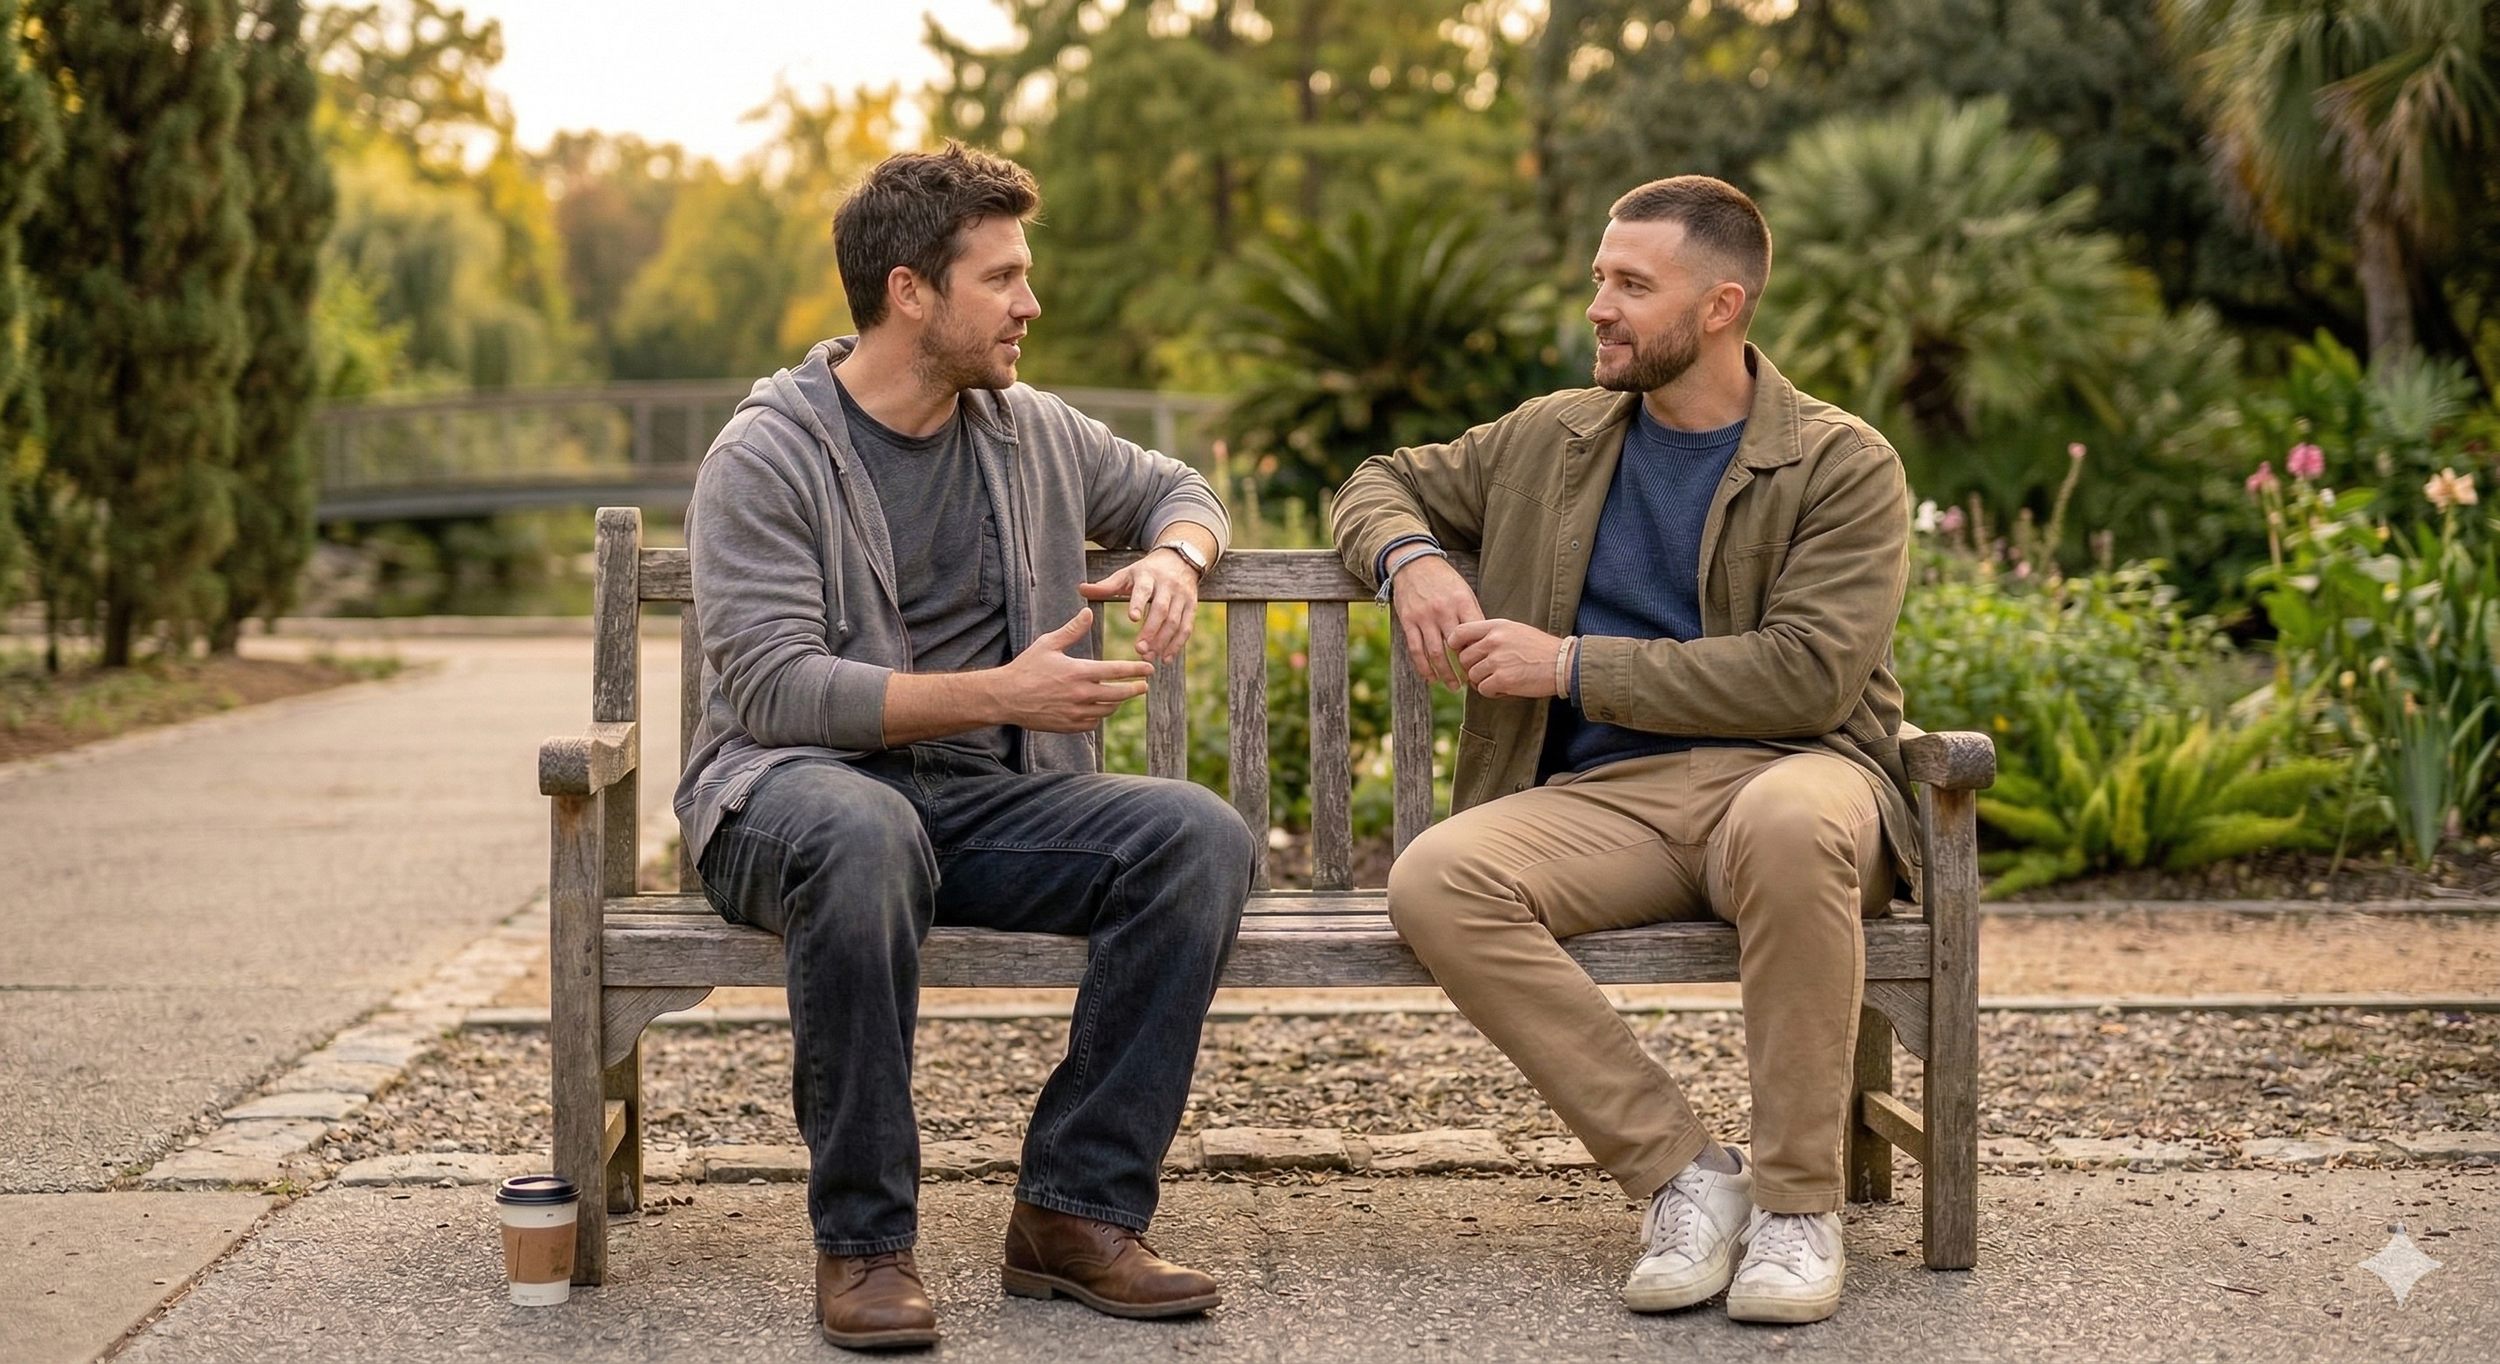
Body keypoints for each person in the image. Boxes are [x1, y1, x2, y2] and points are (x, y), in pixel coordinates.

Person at [675, 144, 1255, 1351]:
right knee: (863, 829)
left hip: (981, 801)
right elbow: (777, 688)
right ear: (909, 292)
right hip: (787, 798)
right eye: (1002, 278)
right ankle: (867, 1244)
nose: (1030, 304)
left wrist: (1174, 554)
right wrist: (1004, 690)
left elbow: (1180, 485)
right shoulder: (767, 453)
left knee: (1195, 837)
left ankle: (1074, 1214)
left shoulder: (1026, 426)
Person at [1332, 175, 1915, 1326]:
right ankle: (1685, 1175)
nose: (1598, 305)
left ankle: (1798, 1206)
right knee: (1437, 879)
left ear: (1719, 306)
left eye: (1631, 284)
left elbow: (1807, 671)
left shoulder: (1842, 463)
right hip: (1610, 798)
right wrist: (1413, 558)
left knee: (1795, 825)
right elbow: (1376, 480)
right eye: (1600, 277)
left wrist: (1570, 665)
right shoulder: (1552, 435)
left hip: (1793, 771)